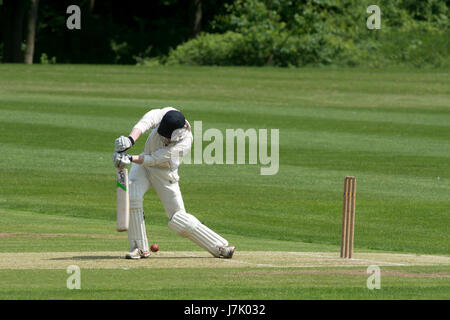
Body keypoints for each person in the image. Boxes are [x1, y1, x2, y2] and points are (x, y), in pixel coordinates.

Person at [112, 107, 235, 259]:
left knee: (178, 218)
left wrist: (129, 158)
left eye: (166, 138)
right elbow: (146, 122)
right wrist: (129, 140)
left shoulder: (185, 142)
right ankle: (139, 248)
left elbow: (155, 158)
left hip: (164, 173)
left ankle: (220, 247)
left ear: (176, 136)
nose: (163, 139)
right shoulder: (167, 114)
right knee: (133, 197)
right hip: (143, 166)